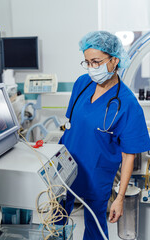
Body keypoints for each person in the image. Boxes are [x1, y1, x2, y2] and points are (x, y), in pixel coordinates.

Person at [59, 31, 150, 240]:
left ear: (114, 60)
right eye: (87, 62)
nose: (91, 68)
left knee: (94, 230)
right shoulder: (82, 84)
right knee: (56, 219)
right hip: (65, 164)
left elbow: (129, 155)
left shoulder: (127, 104)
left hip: (96, 173)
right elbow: (71, 124)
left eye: (96, 62)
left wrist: (119, 199)